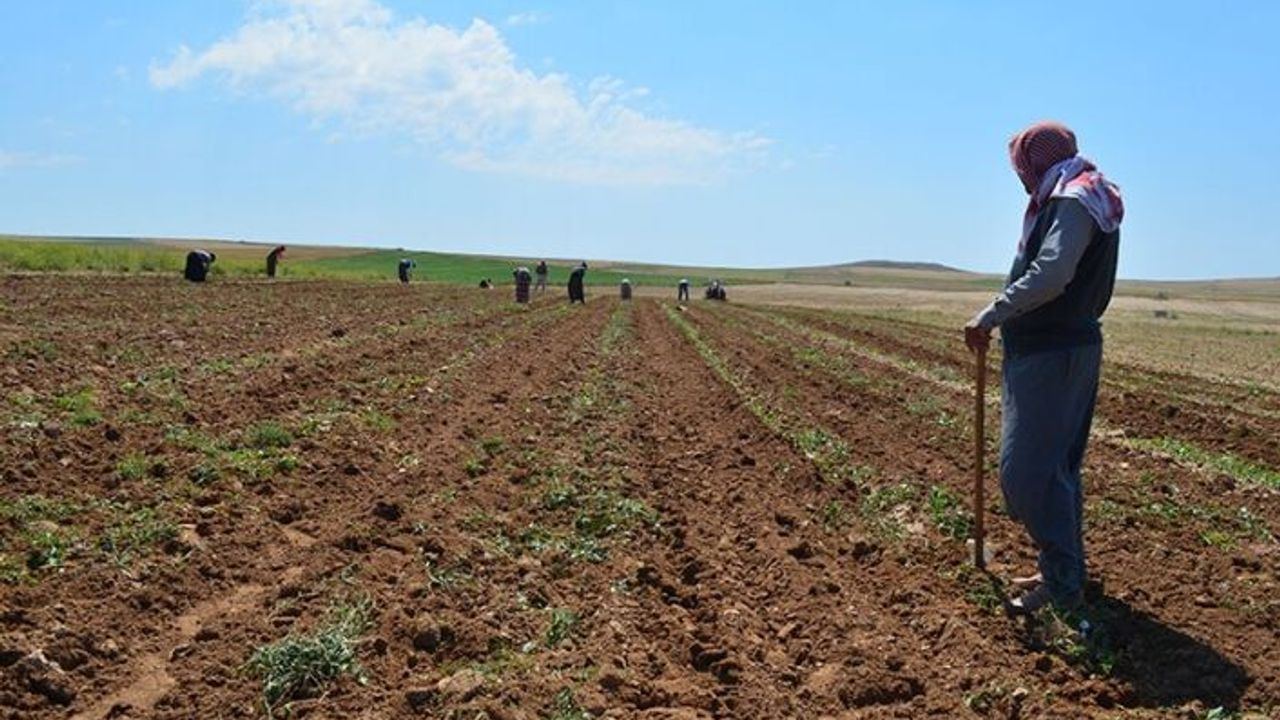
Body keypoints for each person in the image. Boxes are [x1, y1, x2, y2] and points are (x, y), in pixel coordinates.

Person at [964, 121, 1123, 615]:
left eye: (1021, 167)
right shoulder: (1084, 193)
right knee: (1057, 470)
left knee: (1027, 474)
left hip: (1052, 351)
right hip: (1064, 347)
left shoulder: (1072, 199)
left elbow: (1052, 274)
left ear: (1035, 160)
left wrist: (992, 313)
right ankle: (1064, 570)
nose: (1020, 177)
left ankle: (1061, 583)